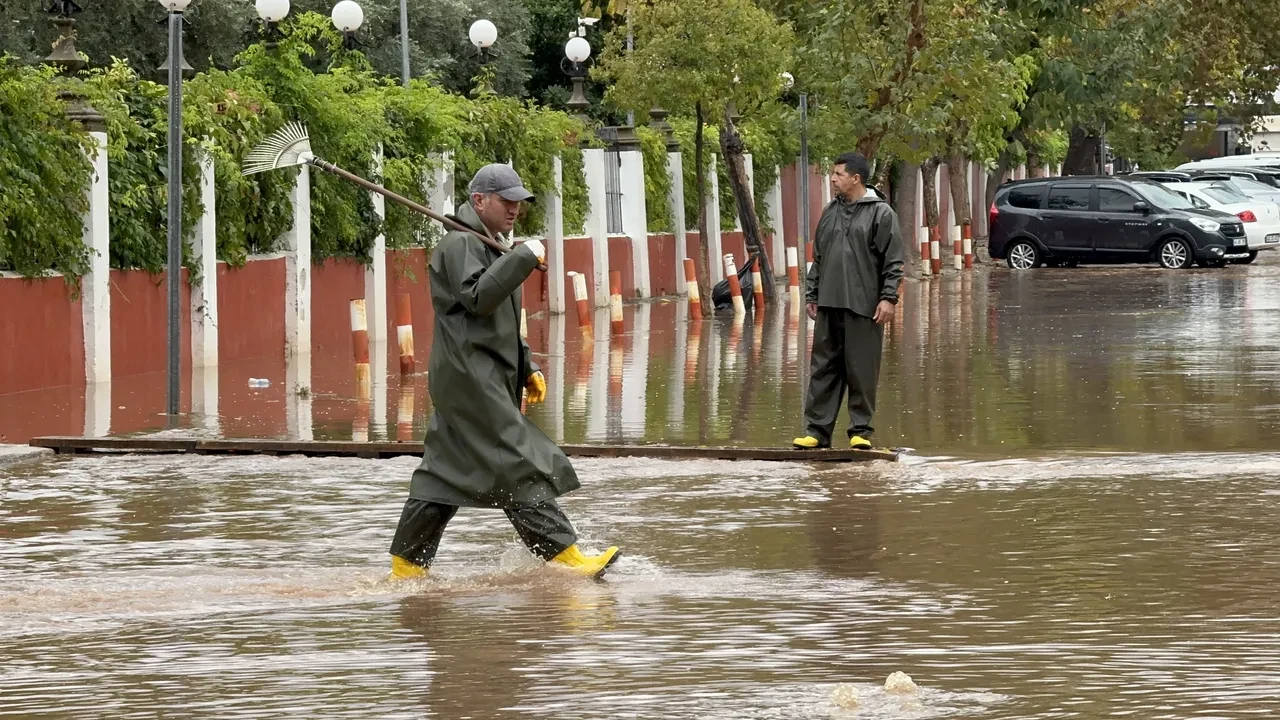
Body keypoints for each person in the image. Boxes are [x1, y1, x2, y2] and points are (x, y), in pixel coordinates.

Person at [388, 164, 620, 580]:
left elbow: (500, 321)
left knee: (443, 473)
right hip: (470, 379)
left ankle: (406, 566)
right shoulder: (460, 245)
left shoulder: (488, 244)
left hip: (477, 376)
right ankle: (567, 557)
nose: (515, 209)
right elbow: (478, 298)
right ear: (479, 200)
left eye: (519, 202)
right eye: (506, 200)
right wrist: (522, 258)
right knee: (519, 460)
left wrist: (527, 363)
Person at [793, 152, 904, 451]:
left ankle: (860, 432)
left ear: (856, 178)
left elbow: (893, 262)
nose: (832, 178)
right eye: (833, 173)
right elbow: (819, 258)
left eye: (839, 174)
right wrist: (812, 295)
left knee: (862, 369)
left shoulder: (881, 214)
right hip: (829, 303)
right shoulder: (830, 212)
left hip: (865, 305)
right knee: (823, 368)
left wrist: (888, 299)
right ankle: (816, 432)